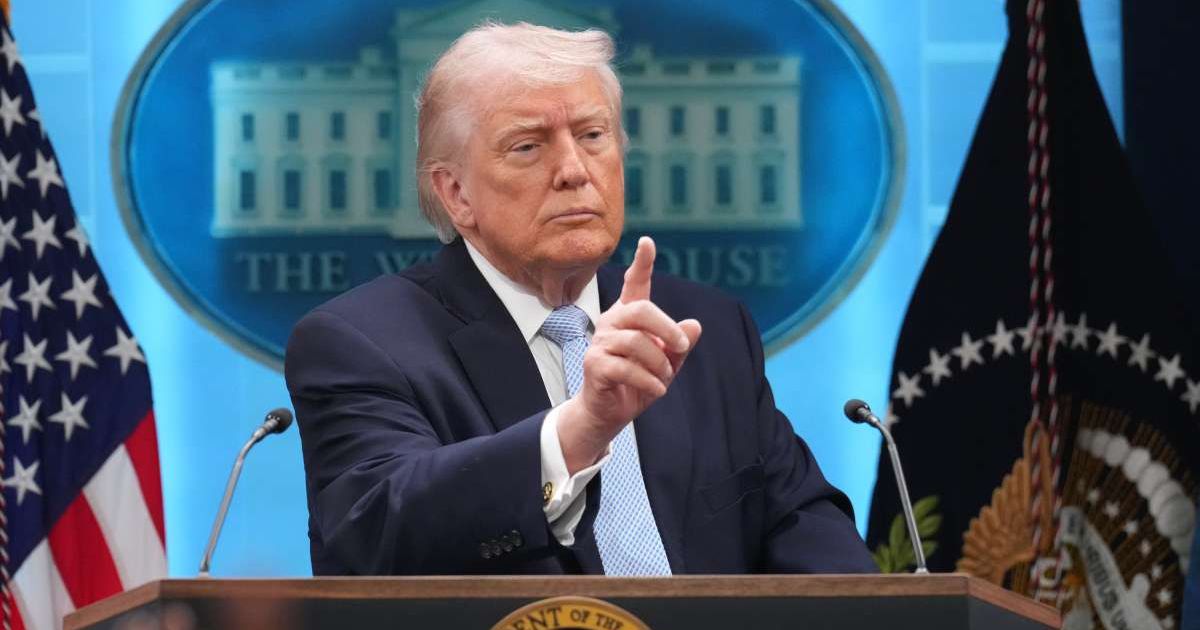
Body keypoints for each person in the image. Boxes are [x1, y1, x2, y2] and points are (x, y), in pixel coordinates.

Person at [285, 21, 876, 576]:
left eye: (593, 136)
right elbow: (374, 534)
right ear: (456, 192)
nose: (574, 169)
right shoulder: (360, 342)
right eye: (527, 146)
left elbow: (801, 522)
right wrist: (580, 430)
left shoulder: (701, 327)